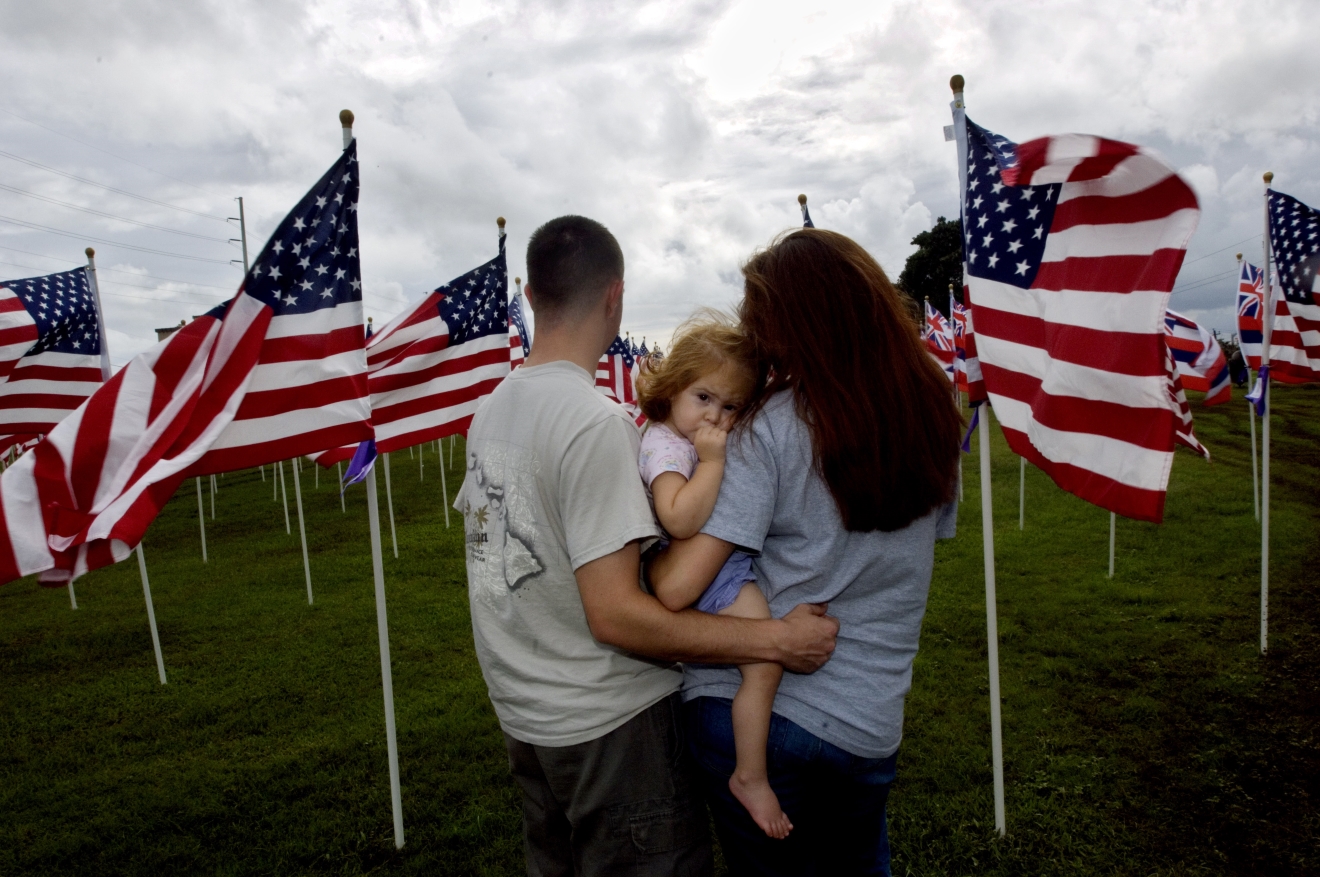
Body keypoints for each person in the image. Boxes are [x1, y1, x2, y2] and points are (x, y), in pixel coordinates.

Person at [455, 215, 840, 877]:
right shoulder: (595, 423)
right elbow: (616, 614)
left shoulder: (491, 407)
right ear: (615, 297)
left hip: (527, 714)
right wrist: (772, 642)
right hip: (608, 724)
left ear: (531, 293)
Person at [649, 228, 963, 876]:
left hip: (759, 717)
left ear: (797, 321)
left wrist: (648, 557)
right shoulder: (934, 410)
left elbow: (681, 585)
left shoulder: (773, 424)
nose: (760, 341)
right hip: (870, 716)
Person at [635, 313, 791, 840]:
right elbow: (678, 516)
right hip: (710, 577)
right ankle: (750, 775)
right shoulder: (666, 447)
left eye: (730, 407)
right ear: (673, 387)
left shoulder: (678, 438)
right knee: (766, 664)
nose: (715, 417)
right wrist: (715, 463)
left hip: (718, 567)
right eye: (703, 398)